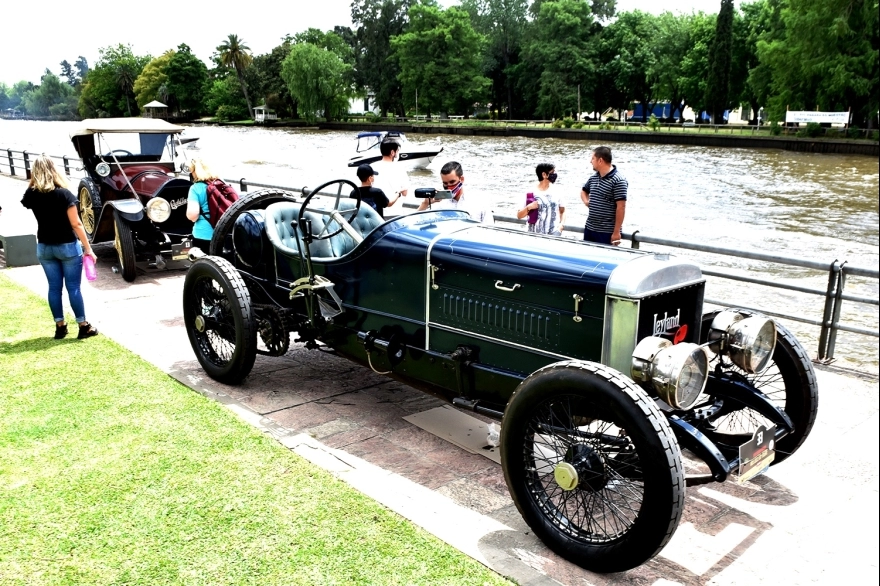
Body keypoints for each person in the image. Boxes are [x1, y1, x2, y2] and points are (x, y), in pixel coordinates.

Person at [20, 155, 98, 339]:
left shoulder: (32, 194)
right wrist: (89, 249)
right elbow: (77, 224)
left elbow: (27, 196)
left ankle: (60, 326)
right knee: (73, 288)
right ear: (54, 170)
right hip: (68, 247)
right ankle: (83, 326)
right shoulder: (64, 194)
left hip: (45, 247)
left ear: (35, 172)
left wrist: (34, 181)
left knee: (54, 288)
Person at [417, 161, 494, 224]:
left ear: (462, 179)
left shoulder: (479, 202)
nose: (449, 186)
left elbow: (490, 229)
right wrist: (425, 203)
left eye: (452, 182)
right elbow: (417, 222)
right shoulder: (440, 203)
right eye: (445, 183)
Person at [580, 146, 627, 245]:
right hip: (590, 228)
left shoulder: (618, 180)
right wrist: (587, 202)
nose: (590, 161)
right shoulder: (594, 177)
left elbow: (621, 207)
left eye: (592, 158)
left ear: (600, 160)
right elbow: (584, 191)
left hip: (607, 232)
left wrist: (616, 232)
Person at [517, 162, 566, 235]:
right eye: (552, 172)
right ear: (544, 174)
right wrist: (529, 207)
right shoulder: (530, 192)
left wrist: (561, 226)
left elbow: (562, 211)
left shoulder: (557, 191)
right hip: (533, 234)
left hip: (554, 233)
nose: (554, 175)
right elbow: (519, 215)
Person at [185, 158, 219, 251]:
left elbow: (193, 215)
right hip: (223, 232)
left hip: (203, 235)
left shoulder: (196, 188)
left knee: (204, 264)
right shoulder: (222, 185)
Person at [370, 139, 410, 208]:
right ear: (392, 152)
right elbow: (404, 193)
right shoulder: (400, 168)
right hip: (394, 211)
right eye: (397, 150)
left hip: (376, 211)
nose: (398, 153)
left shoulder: (372, 167)